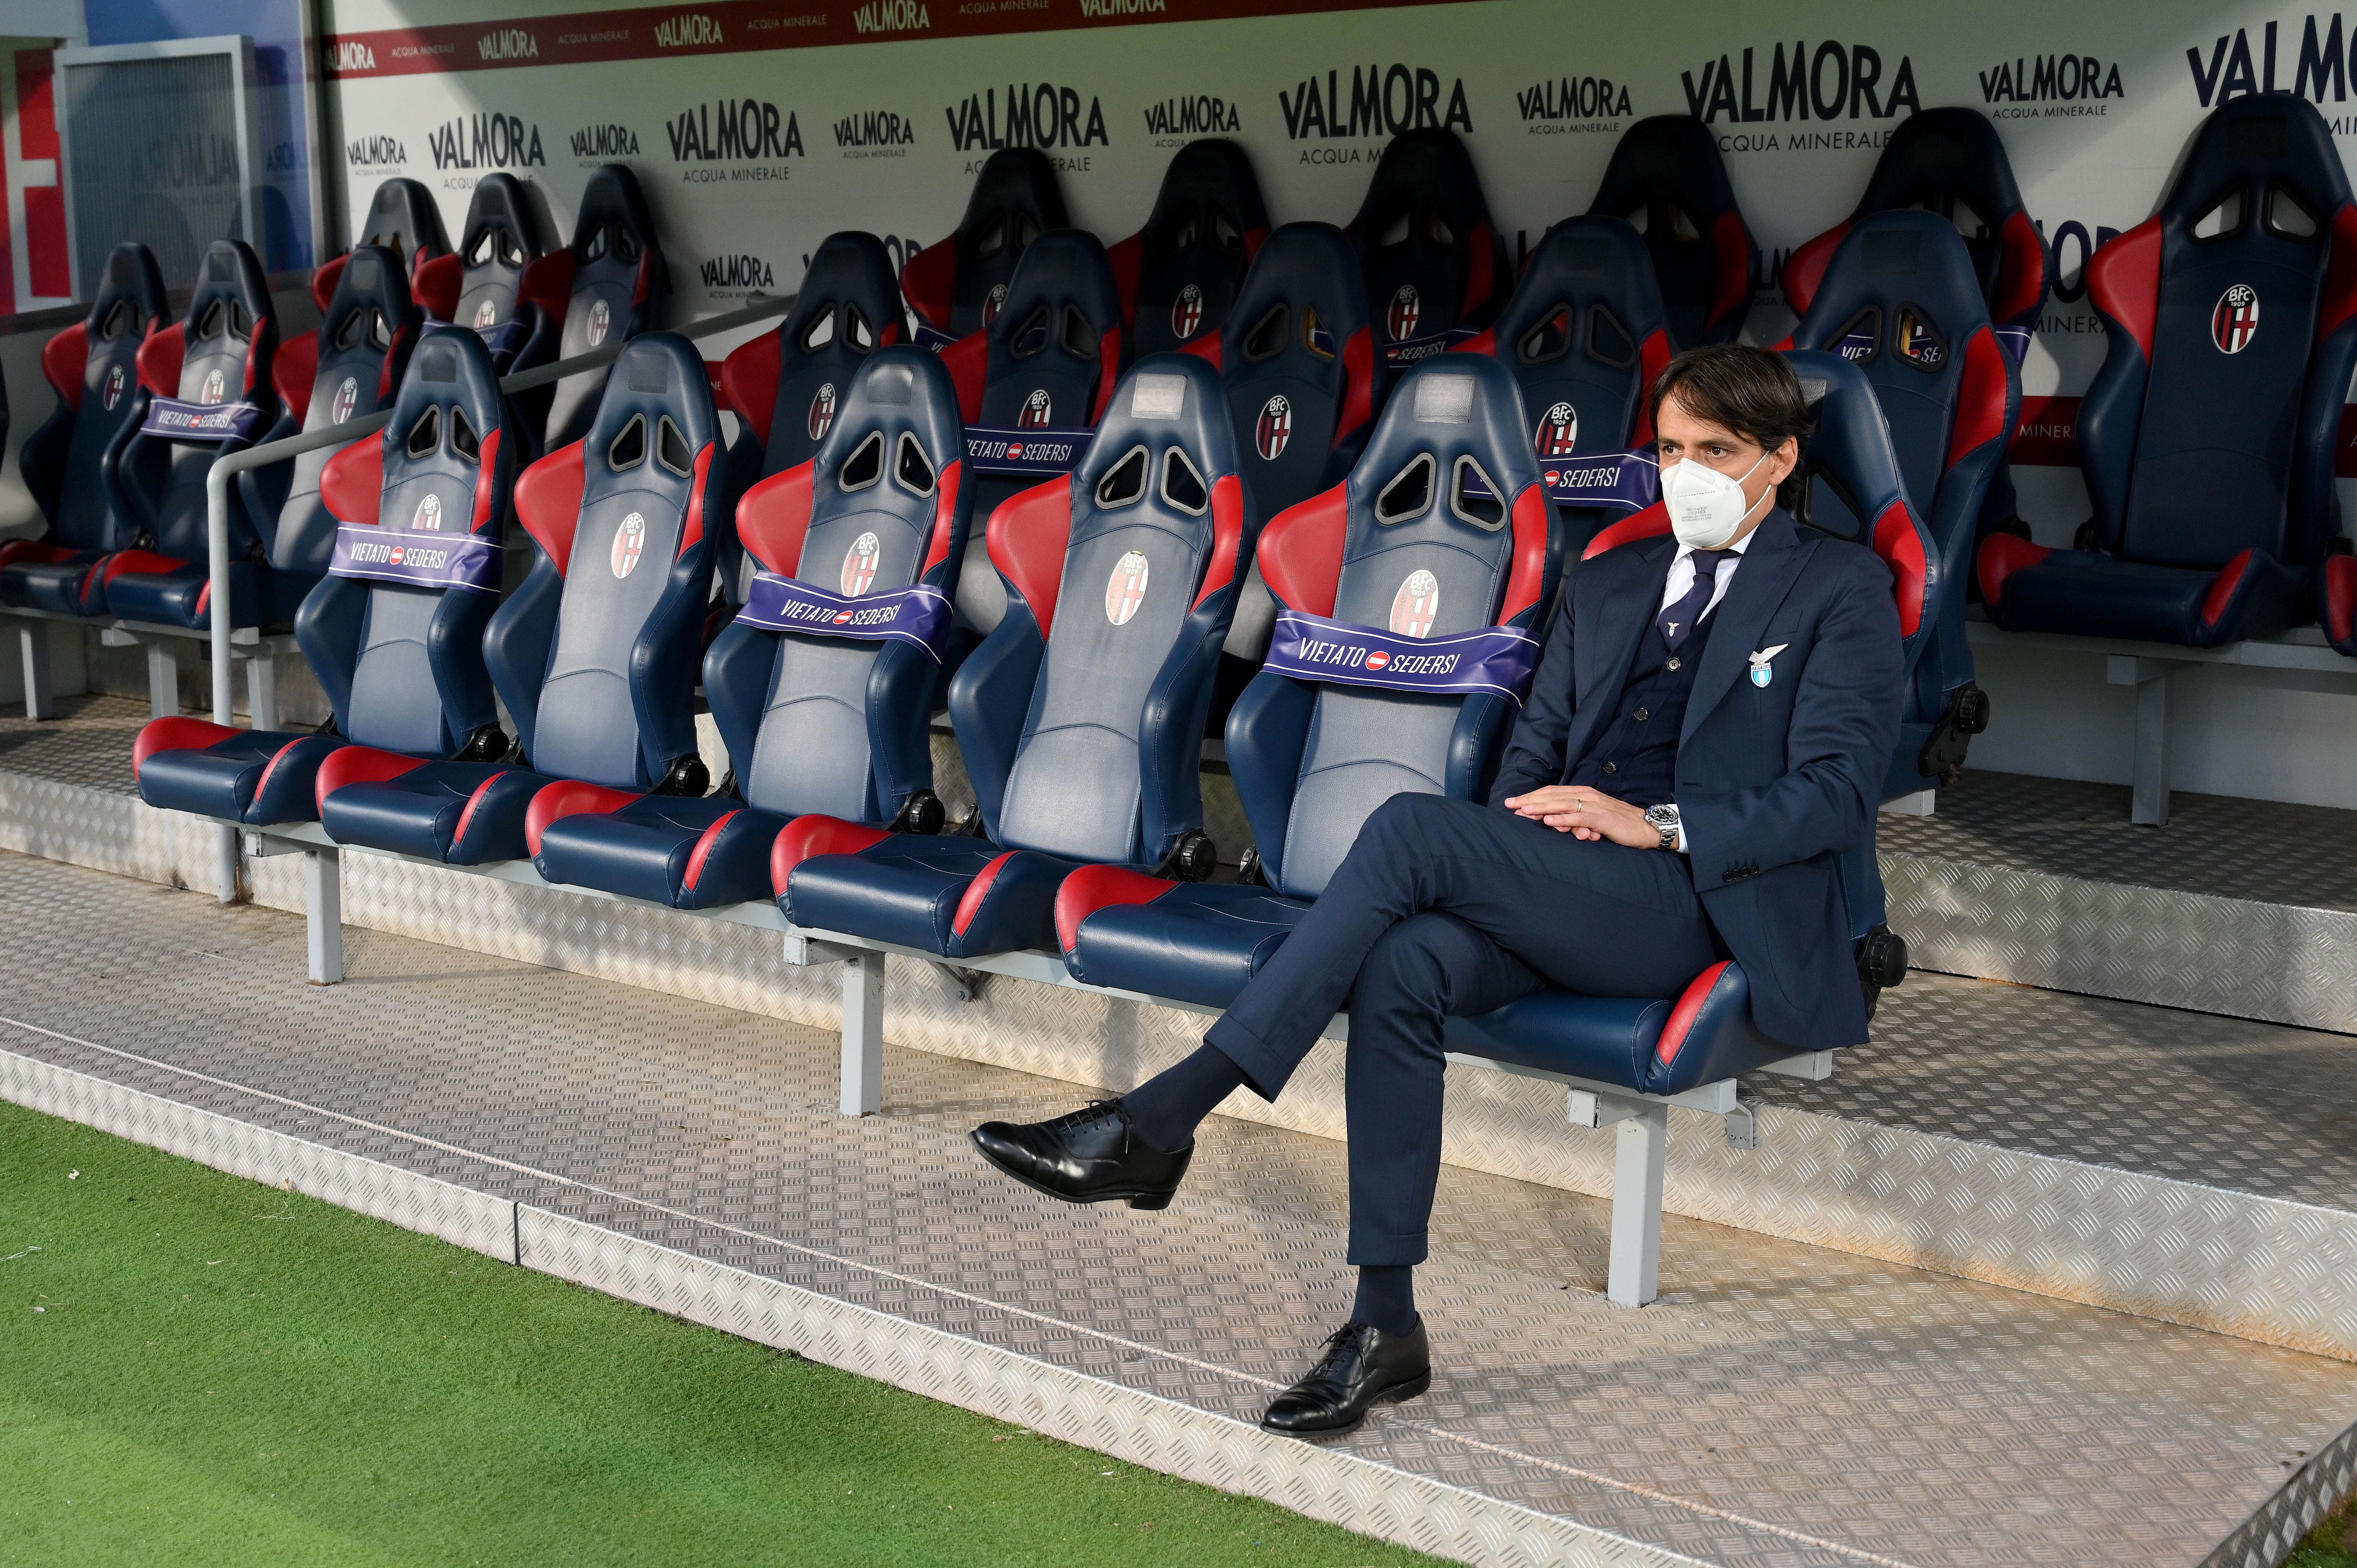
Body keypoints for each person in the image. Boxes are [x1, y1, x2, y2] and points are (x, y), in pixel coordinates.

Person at [968, 344, 1903, 1437]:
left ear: (1780, 461)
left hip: (1698, 899)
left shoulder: (1840, 585)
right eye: (1668, 450)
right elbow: (1532, 749)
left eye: (1717, 452)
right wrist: (1526, 837)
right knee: (1406, 963)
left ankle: (1163, 1118)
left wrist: (1653, 825)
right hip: (1569, 881)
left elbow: (1836, 794)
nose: (1685, 474)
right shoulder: (1611, 579)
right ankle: (1385, 1326)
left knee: (1411, 826)